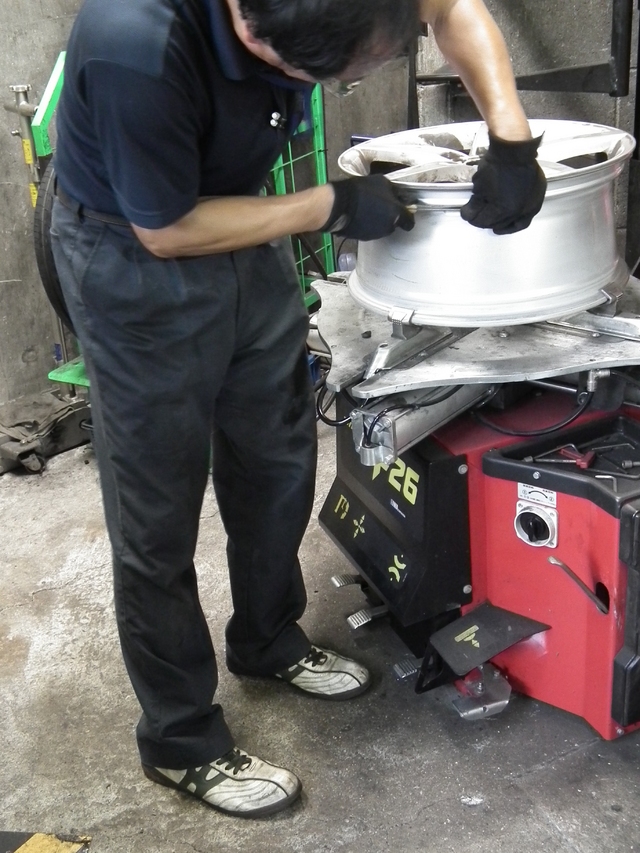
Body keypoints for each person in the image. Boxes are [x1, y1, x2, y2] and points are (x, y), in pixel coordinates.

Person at [50, 0, 545, 819]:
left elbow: (452, 6)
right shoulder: (134, 42)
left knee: (276, 458)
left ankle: (268, 637)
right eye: (339, 77)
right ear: (258, 38)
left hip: (244, 228)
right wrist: (329, 205)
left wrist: (512, 138)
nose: (354, 85)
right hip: (133, 254)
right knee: (156, 513)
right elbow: (167, 230)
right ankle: (179, 737)